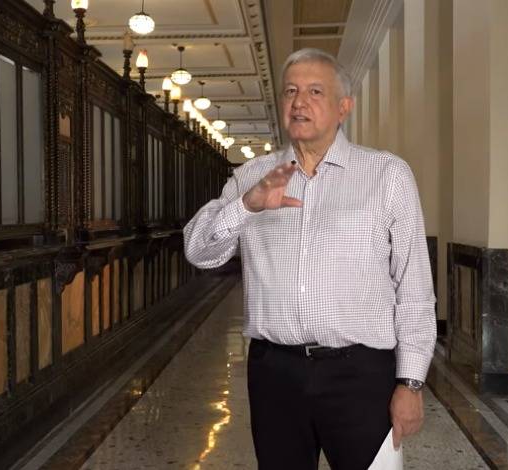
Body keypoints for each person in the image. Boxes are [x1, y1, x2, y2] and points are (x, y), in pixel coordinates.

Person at [184, 48, 436, 469]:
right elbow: (198, 251)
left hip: (360, 374)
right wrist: (247, 205)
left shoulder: (387, 175)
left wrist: (410, 382)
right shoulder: (251, 177)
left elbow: (414, 287)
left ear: (343, 107)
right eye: (290, 91)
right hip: (274, 373)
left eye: (315, 91)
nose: (299, 101)